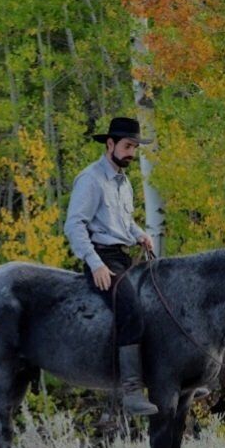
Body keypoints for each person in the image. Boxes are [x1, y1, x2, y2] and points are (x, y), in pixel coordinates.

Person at [64, 117, 158, 416]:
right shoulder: (90, 179)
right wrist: (95, 264)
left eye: (134, 147)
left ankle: (166, 376)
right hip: (101, 257)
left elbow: (123, 222)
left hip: (122, 255)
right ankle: (131, 392)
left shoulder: (123, 181)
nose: (132, 153)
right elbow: (74, 225)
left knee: (158, 299)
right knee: (130, 309)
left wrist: (139, 234)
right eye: (127, 146)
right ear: (110, 144)